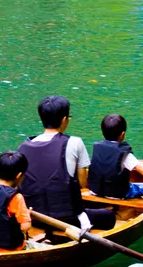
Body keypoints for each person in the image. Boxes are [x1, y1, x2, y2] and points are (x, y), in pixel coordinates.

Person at [17, 96, 89, 228]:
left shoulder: (22, 148)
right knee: (108, 217)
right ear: (64, 120)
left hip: (34, 219)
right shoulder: (75, 142)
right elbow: (83, 184)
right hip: (68, 220)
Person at [88, 114, 143, 200]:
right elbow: (139, 168)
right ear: (122, 134)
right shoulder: (123, 153)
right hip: (117, 194)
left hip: (95, 191)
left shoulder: (97, 148)